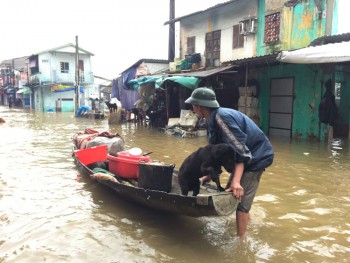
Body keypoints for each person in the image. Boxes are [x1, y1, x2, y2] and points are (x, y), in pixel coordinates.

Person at [185, 87, 274, 237]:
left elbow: (241, 151)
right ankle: (249, 223)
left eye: (194, 105)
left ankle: (242, 243)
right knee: (232, 195)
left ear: (201, 106)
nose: (193, 108)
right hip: (245, 157)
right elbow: (215, 151)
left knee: (239, 199)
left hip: (257, 157)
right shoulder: (211, 120)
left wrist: (236, 182)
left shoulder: (222, 118)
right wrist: (208, 174)